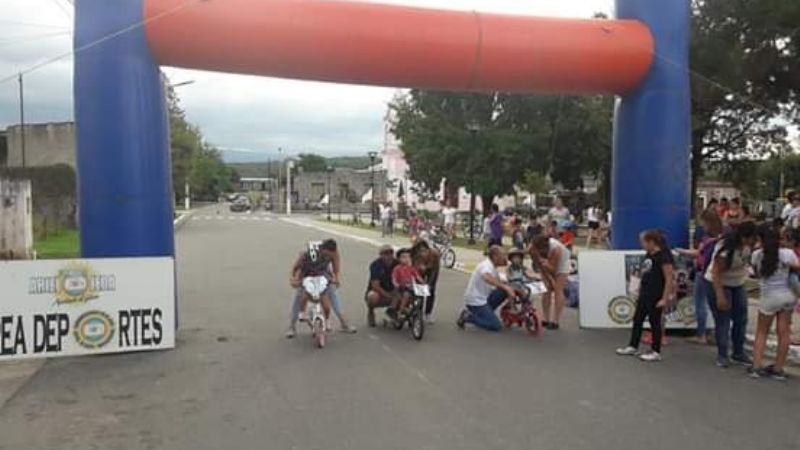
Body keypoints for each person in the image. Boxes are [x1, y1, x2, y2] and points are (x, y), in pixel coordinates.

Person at [748, 226, 799, 380]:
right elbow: (796, 268)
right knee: (784, 333)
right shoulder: (787, 254)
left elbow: (757, 274)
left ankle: (756, 366)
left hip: (769, 297)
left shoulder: (757, 255)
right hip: (787, 295)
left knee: (762, 332)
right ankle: (778, 369)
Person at [705, 221, 758, 368]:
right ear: (743, 237)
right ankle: (722, 355)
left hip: (738, 283)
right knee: (723, 319)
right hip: (719, 284)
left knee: (741, 318)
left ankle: (738, 352)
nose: (754, 242)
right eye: (751, 238)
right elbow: (716, 273)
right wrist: (720, 296)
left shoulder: (749, 247)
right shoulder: (726, 250)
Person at [616, 230, 675, 362]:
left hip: (656, 293)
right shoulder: (649, 254)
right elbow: (646, 272)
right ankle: (633, 345)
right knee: (638, 319)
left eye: (643, 242)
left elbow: (669, 278)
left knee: (655, 322)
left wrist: (664, 298)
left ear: (652, 242)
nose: (641, 244)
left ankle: (656, 350)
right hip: (645, 292)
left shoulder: (664, 256)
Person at [286, 239, 356, 338]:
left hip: (322, 272)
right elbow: (296, 268)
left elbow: (336, 269)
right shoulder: (308, 253)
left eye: (330, 256)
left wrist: (336, 279)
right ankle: (292, 326)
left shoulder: (334, 252)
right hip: (306, 272)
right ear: (322, 250)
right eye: (326, 255)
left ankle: (344, 322)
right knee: (299, 294)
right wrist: (293, 280)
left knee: (332, 292)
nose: (328, 257)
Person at [677, 209, 723, 344]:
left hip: (703, 272)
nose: (701, 224)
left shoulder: (708, 238)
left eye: (702, 221)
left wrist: (683, 251)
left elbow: (699, 253)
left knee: (700, 303)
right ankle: (718, 334)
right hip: (717, 273)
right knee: (715, 305)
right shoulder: (722, 235)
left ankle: (701, 334)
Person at [456, 246, 516, 332]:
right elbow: (486, 277)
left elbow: (500, 283)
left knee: (505, 290)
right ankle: (468, 316)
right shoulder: (486, 266)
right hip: (475, 301)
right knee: (495, 326)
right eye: (503, 256)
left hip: (485, 297)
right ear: (495, 257)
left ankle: (488, 313)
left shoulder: (493, 268)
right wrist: (505, 287)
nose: (505, 258)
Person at [531, 235, 571, 330]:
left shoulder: (556, 249)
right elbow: (539, 264)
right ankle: (546, 318)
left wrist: (552, 279)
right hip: (545, 264)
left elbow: (554, 269)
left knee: (558, 290)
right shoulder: (533, 248)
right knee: (546, 289)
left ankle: (555, 321)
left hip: (562, 264)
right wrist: (547, 277)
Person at [365, 245, 399, 326]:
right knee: (372, 297)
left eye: (390, 253)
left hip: (393, 289)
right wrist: (387, 295)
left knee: (407, 295)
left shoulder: (397, 263)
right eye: (385, 253)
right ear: (381, 255)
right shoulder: (376, 265)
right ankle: (371, 311)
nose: (388, 255)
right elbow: (375, 285)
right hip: (379, 291)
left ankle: (393, 312)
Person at [411, 240, 441, 323]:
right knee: (419, 290)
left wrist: (430, 284)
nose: (422, 253)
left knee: (430, 291)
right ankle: (417, 312)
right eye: (420, 251)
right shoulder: (414, 254)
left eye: (424, 251)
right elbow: (413, 271)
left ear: (428, 250)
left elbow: (434, 272)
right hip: (418, 269)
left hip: (432, 269)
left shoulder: (434, 254)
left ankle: (428, 313)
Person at [389, 248, 424, 318]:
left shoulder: (411, 268)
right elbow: (394, 278)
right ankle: (401, 310)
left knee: (420, 295)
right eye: (403, 257)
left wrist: (422, 282)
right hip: (402, 287)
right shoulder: (397, 268)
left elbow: (417, 276)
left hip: (410, 286)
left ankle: (416, 310)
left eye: (408, 257)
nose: (406, 259)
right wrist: (396, 284)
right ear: (399, 259)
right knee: (406, 295)